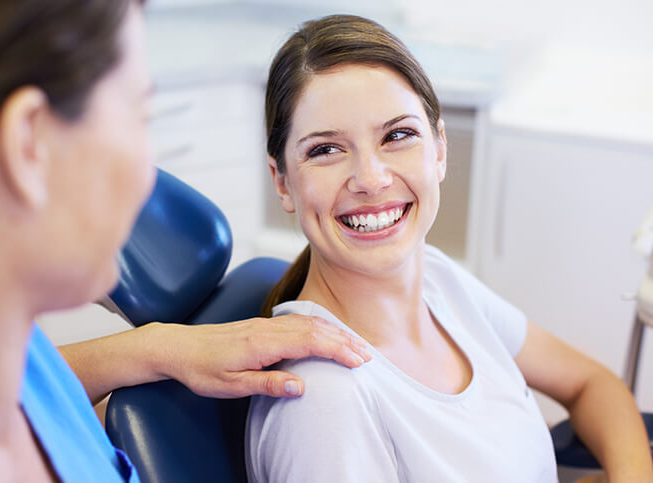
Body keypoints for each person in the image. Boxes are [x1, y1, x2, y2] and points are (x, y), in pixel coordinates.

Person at [0, 2, 373, 481]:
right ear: (28, 144)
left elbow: (40, 387)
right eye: (139, 119)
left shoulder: (1, 343)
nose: (149, 179)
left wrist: (158, 349)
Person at [245, 14, 653, 483]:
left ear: (439, 148)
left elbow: (591, 385)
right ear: (282, 181)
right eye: (326, 150)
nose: (371, 179)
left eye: (397, 135)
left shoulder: (439, 281)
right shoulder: (323, 401)